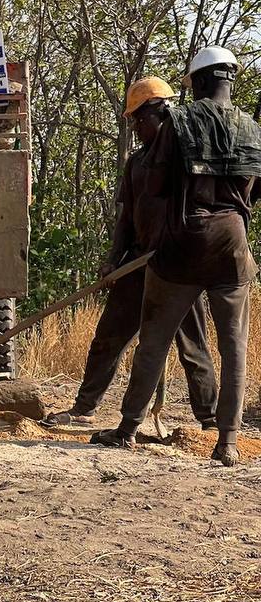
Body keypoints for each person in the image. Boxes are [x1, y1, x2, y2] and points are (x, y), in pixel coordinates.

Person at [93, 47, 261, 465]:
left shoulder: (180, 123)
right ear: (230, 80)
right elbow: (255, 193)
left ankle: (128, 428)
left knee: (153, 340)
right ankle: (227, 442)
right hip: (234, 244)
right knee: (234, 346)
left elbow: (155, 184)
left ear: (199, 82)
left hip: (183, 243)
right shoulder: (253, 129)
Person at [45, 78, 217, 429]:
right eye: (134, 122)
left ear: (162, 114)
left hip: (178, 269)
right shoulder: (137, 163)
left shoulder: (188, 160)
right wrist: (113, 259)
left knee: (193, 347)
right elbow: (126, 217)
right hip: (137, 264)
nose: (137, 128)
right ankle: (83, 409)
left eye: (140, 121)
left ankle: (210, 420)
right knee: (108, 338)